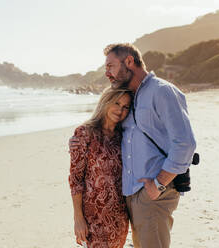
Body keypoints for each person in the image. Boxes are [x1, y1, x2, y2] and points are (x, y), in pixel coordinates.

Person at [71, 43, 196, 248]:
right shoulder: (132, 96)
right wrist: (81, 139)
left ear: (129, 61)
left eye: (110, 66)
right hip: (131, 195)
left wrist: (158, 184)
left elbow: (185, 143)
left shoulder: (162, 91)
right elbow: (113, 131)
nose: (107, 73)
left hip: (154, 193)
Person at [69, 87, 132, 248]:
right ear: (105, 102)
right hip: (93, 218)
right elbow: (76, 180)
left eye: (126, 107)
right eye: (116, 103)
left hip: (120, 216)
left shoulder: (124, 136)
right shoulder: (84, 133)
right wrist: (78, 219)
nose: (120, 110)